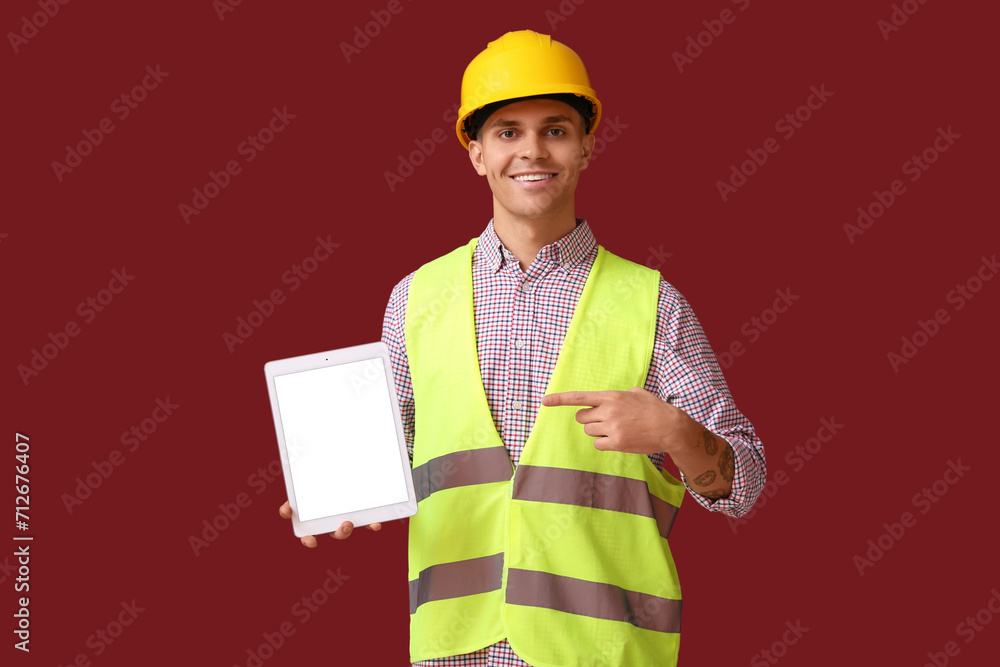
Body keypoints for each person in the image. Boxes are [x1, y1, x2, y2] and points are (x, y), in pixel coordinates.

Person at [280, 29, 766, 666]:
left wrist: (675, 431)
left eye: (555, 129)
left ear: (586, 147)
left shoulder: (652, 302)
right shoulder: (415, 299)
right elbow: (385, 458)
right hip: (456, 647)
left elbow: (745, 483)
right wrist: (330, 492)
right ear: (476, 152)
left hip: (603, 652)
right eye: (508, 131)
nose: (532, 150)